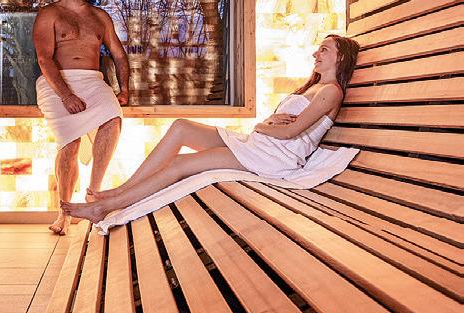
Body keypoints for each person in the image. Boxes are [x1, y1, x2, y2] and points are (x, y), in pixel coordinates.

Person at [61, 34, 359, 224]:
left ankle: (106, 207)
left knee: (181, 164)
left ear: (341, 57)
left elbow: (290, 133)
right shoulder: (313, 88)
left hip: (272, 158)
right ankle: (123, 190)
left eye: (324, 49)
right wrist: (264, 127)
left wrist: (262, 126)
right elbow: (278, 127)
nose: (316, 54)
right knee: (181, 127)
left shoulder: (330, 91)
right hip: (260, 145)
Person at [34, 0, 129, 235]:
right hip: (56, 81)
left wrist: (125, 89)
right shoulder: (50, 14)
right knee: (70, 144)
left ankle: (93, 195)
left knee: (113, 118)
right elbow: (44, 58)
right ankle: (63, 213)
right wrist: (66, 95)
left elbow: (119, 55)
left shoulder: (100, 18)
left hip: (92, 80)